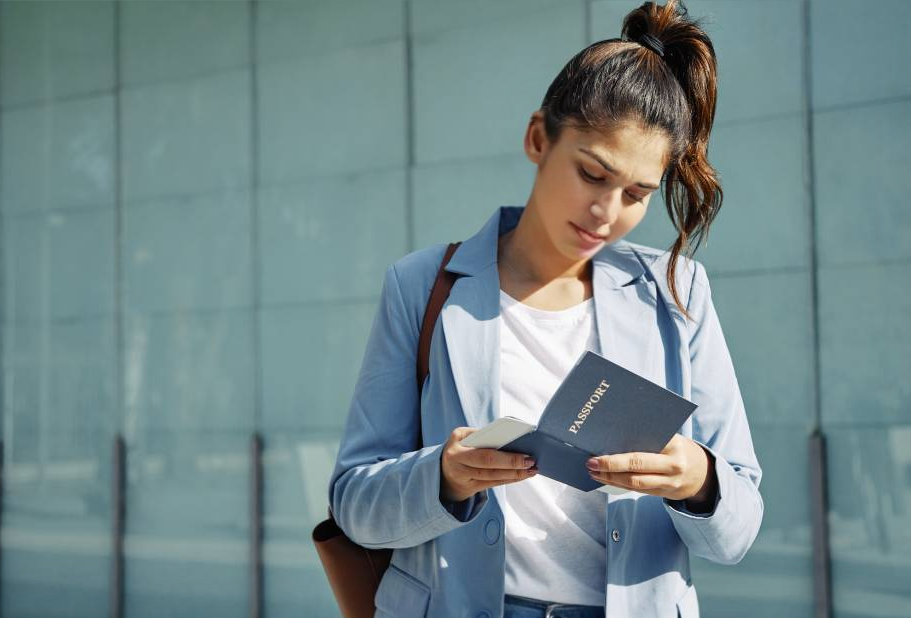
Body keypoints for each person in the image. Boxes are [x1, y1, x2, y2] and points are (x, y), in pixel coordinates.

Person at [327, 1, 763, 616]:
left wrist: (697, 480)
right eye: (591, 174)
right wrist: (444, 476)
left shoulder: (678, 292)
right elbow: (354, 502)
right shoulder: (424, 285)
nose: (607, 212)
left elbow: (740, 526)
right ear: (539, 138)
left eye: (636, 194)